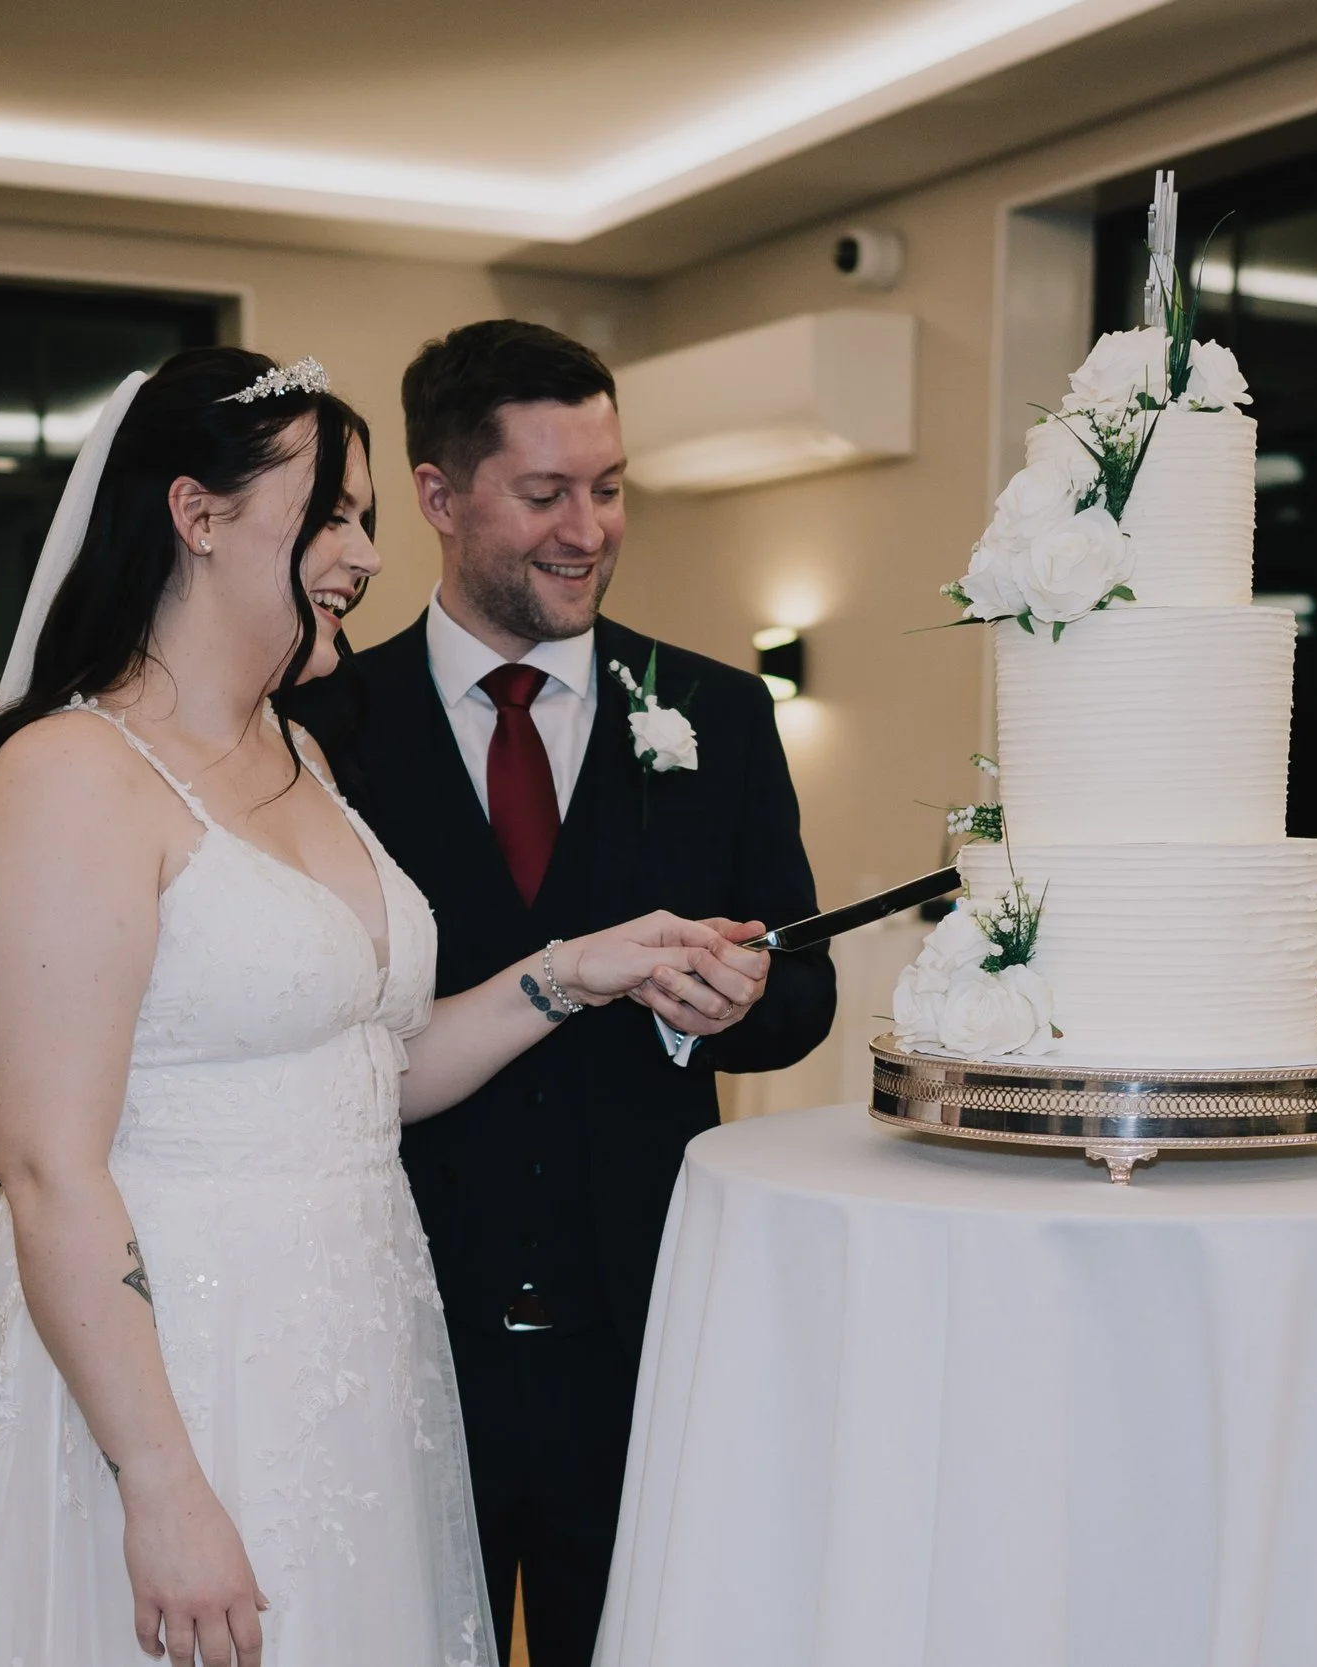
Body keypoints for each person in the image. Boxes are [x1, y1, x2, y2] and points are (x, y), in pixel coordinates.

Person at [0, 347, 770, 1667]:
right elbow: (49, 1165)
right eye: (332, 513)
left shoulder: (301, 749)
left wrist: (574, 970)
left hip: (352, 1354)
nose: (365, 553)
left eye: (369, 519)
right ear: (198, 515)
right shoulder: (69, 774)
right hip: (176, 1365)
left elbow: (364, 1074)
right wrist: (158, 1479)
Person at [294, 321, 837, 1667]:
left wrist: (724, 999)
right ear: (437, 494)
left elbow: (806, 988)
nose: (587, 527)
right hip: (408, 1325)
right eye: (545, 493)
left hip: (643, 1326)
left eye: (609, 485)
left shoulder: (719, 711)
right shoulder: (323, 732)